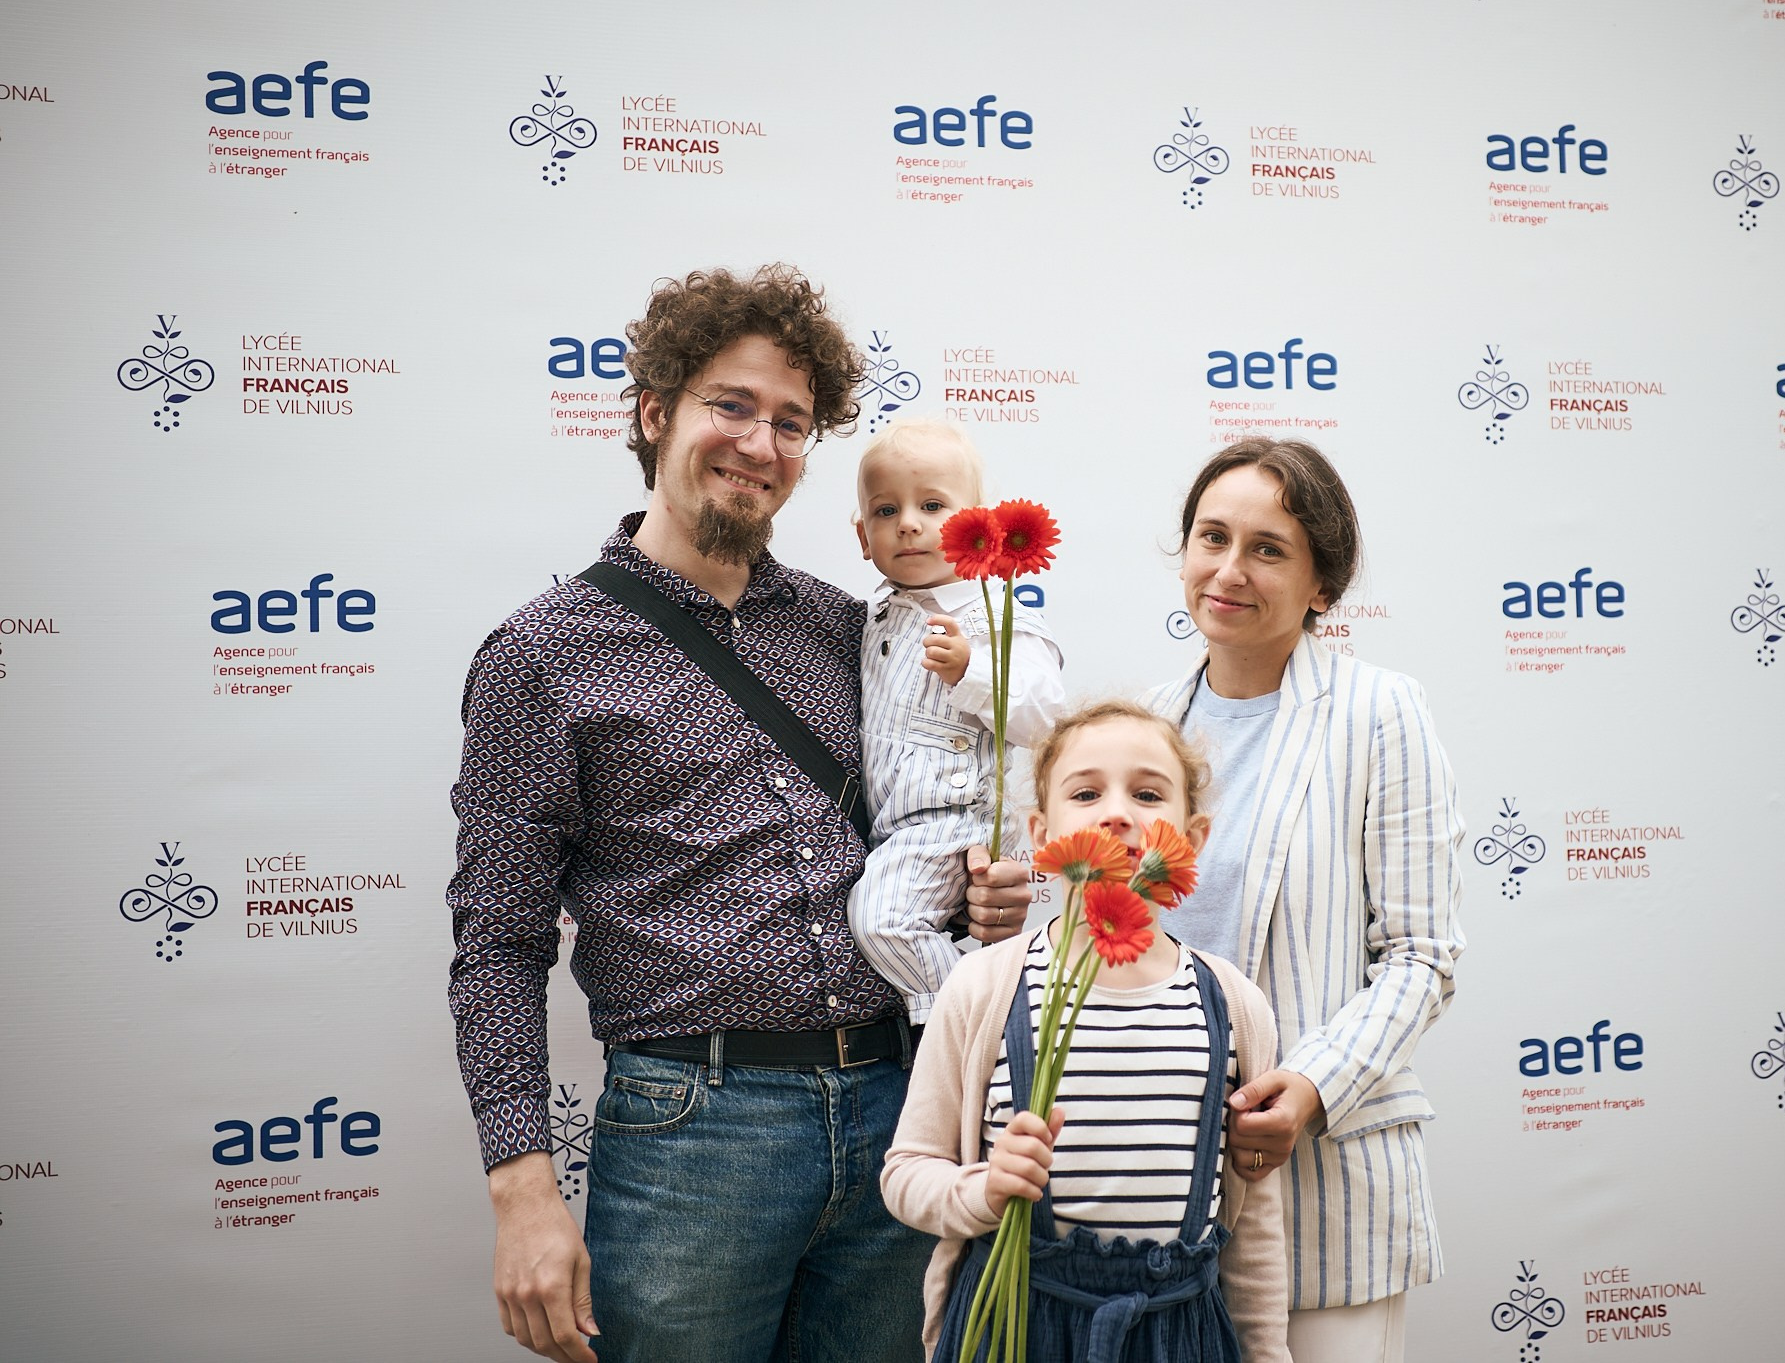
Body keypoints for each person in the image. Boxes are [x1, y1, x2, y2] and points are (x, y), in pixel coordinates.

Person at [445, 264, 1032, 1363]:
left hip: (903, 1109)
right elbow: (496, 943)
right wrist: (523, 1192)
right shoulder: (540, 656)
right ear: (655, 411)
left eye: (792, 423)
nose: (760, 444)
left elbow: (936, 801)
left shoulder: (848, 627)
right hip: (692, 1135)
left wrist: (985, 895)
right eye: (732, 406)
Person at [1145, 438, 1465, 1363]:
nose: (1229, 569)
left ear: (1323, 586)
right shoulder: (1146, 722)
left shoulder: (1380, 711)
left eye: (1268, 549)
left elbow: (1424, 955)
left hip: (1327, 1179)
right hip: (1158, 1188)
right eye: (1212, 537)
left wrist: (1314, 1086)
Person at [882, 700, 1292, 1363]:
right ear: (1042, 834)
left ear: (1195, 835)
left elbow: (1257, 1222)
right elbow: (906, 1174)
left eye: (1149, 792)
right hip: (1018, 1318)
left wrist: (1268, 1352)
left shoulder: (1234, 1002)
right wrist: (983, 1191)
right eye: (1086, 791)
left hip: (1177, 1330)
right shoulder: (984, 985)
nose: (1118, 811)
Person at [848, 420, 1064, 1022]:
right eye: (886, 510)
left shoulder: (995, 612)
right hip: (891, 827)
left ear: (981, 527)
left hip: (956, 821)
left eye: (933, 505)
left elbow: (1048, 720)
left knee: (883, 922)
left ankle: (973, 1019)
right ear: (863, 536)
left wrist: (973, 671)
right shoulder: (869, 619)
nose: (909, 523)